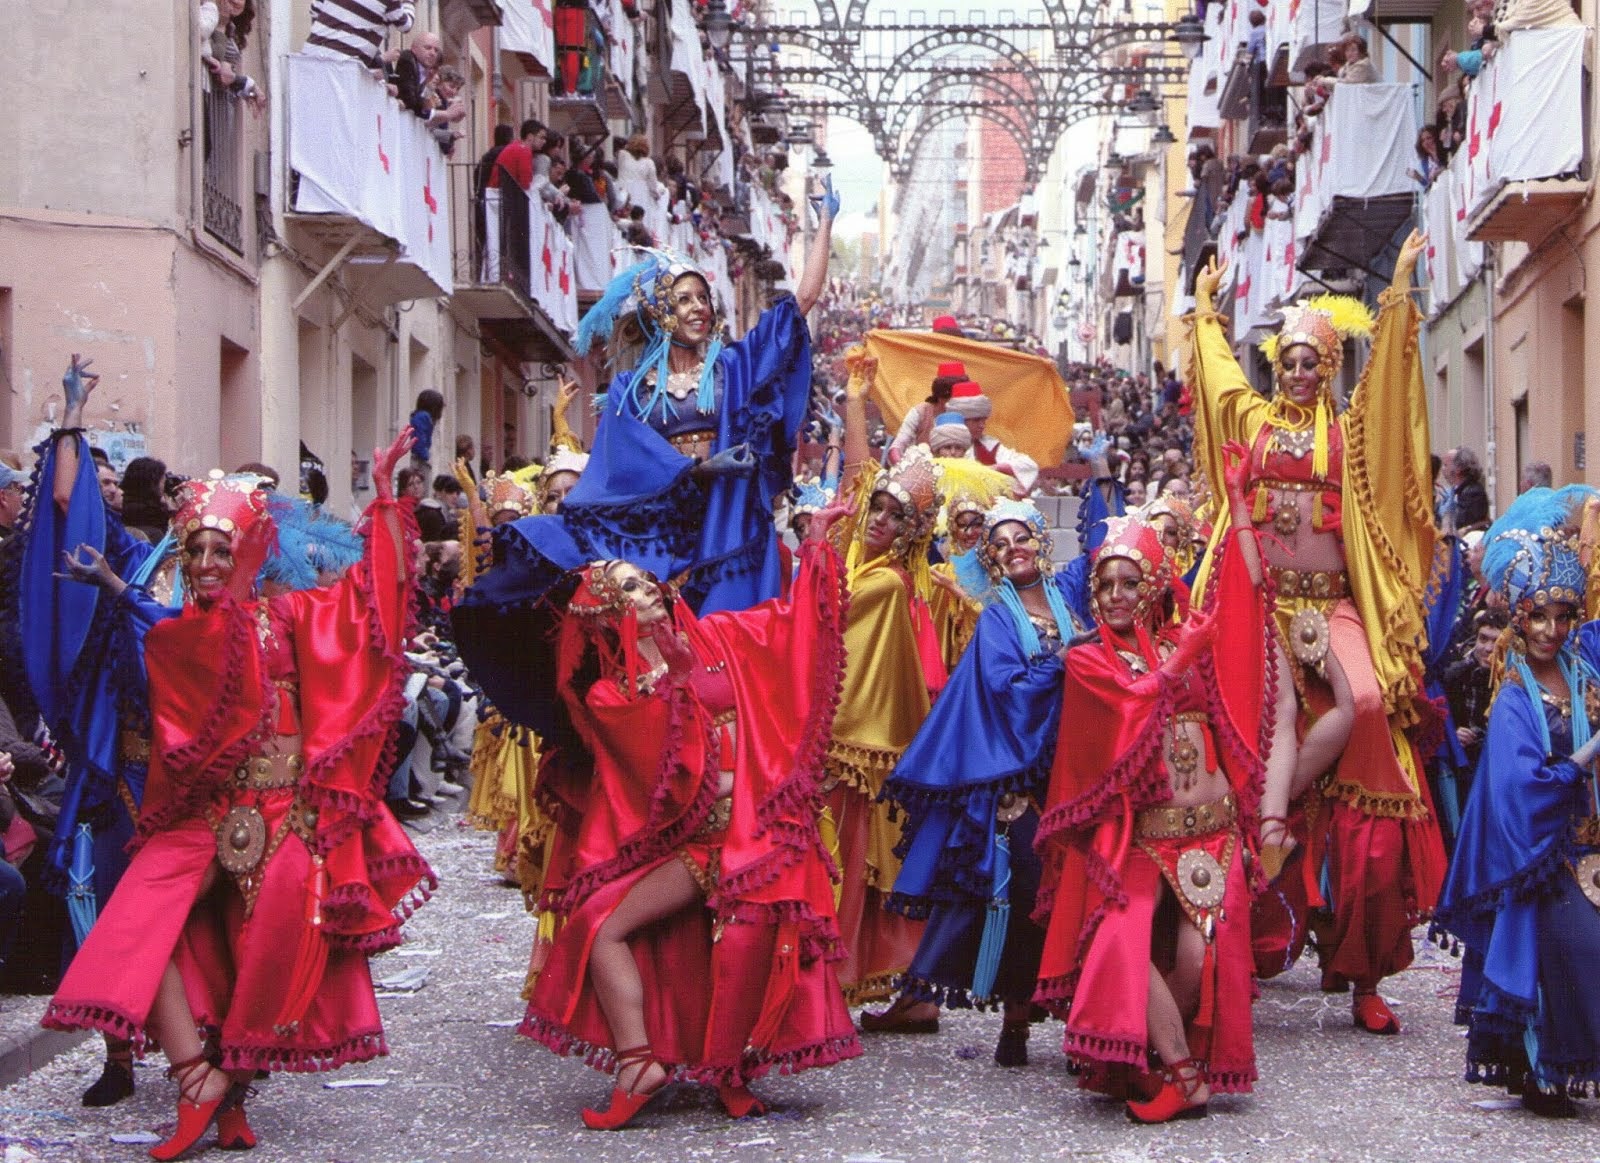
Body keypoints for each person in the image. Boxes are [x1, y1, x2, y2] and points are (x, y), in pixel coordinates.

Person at [42, 429, 434, 1159]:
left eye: (221, 550)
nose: (207, 563)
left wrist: (385, 497)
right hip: (210, 814)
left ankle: (230, 1097)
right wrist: (117, 589)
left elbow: (369, 599)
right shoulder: (181, 635)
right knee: (138, 925)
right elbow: (168, 652)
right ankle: (196, 1075)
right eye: (195, 551)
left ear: (248, 551)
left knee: (260, 964)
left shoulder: (290, 616)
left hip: (289, 815)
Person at [517, 508, 860, 1129]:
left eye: (644, 579)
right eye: (627, 587)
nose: (646, 588)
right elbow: (664, 776)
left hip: (756, 828)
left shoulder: (717, 635)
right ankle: (638, 1062)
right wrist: (672, 681)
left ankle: (731, 1072)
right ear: (602, 613)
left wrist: (812, 548)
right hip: (697, 844)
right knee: (600, 923)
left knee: (751, 939)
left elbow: (790, 628)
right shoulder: (611, 695)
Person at [1189, 234, 1447, 1036]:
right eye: (1290, 360)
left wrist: (1399, 292)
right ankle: (1266, 849)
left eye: (1313, 362)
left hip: (1330, 608)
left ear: (1329, 368)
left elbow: (1393, 386)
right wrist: (1206, 311)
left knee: (1368, 704)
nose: (1300, 372)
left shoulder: (1350, 435)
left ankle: (1362, 968)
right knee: (1250, 735)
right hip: (1262, 608)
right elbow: (1216, 374)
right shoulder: (1253, 420)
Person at [453, 181, 839, 680]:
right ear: (661, 312)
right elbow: (622, 464)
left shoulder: (732, 368)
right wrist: (697, 469)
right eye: (685, 300)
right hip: (656, 530)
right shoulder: (632, 390)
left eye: (704, 298)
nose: (700, 307)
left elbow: (802, 300)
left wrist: (825, 221)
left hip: (729, 527)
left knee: (730, 660)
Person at [1035, 447, 1269, 1124]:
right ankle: (1184, 1075)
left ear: (1155, 585)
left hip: (1215, 832)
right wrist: (1185, 658)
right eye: (1104, 584)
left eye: (1128, 582)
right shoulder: (1087, 662)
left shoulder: (1181, 638)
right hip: (1139, 840)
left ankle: (1137, 1054)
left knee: (1199, 967)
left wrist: (1240, 507)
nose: (1114, 595)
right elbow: (1136, 705)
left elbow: (1249, 602)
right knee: (1120, 942)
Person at [883, 499, 1084, 1067]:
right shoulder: (999, 615)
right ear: (991, 562)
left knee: (1078, 893)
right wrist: (1066, 661)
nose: (1011, 549)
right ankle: (1017, 1018)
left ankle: (1079, 1020)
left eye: (1020, 538)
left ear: (1041, 543)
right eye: (998, 545)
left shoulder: (1071, 599)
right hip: (1019, 772)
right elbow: (1006, 689)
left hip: (1076, 772)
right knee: (1026, 892)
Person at [1435, 486, 1600, 1118]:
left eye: (1563, 617)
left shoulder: (1585, 671)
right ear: (1518, 618)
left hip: (1587, 838)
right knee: (1567, 945)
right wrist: (1585, 759)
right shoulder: (1511, 700)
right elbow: (1520, 785)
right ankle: (1545, 1067)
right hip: (1542, 855)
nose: (1551, 631)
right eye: (1538, 617)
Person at [831, 359, 945, 1016]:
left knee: (858, 866)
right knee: (868, 869)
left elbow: (824, 619)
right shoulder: (859, 557)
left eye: (894, 517)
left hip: (857, 747)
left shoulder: (882, 583)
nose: (878, 519)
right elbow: (856, 473)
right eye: (877, 510)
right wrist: (855, 399)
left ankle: (847, 982)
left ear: (910, 534)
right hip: (852, 743)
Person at [947, 382, 1039, 496]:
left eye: (984, 420)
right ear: (961, 420)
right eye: (976, 420)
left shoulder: (989, 445)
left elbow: (1029, 465)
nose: (982, 425)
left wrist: (994, 469)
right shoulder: (940, 444)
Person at [887, 362, 965, 463]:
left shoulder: (968, 417)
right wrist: (902, 467)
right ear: (939, 395)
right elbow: (897, 446)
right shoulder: (920, 412)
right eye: (949, 397)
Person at [305, 0, 414, 68]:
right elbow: (406, 26)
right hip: (346, 65)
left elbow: (315, 10)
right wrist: (408, 2)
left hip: (309, 55)